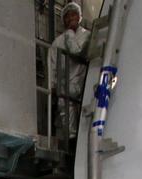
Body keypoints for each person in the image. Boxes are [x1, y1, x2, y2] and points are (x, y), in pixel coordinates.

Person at [46, 1, 91, 139]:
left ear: (79, 17)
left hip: (84, 82)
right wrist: (51, 86)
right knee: (64, 102)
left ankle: (81, 136)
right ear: (63, 20)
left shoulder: (86, 35)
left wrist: (70, 33)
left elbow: (76, 50)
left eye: (73, 15)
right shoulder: (57, 43)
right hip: (65, 85)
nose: (70, 18)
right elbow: (52, 66)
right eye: (67, 16)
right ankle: (71, 138)